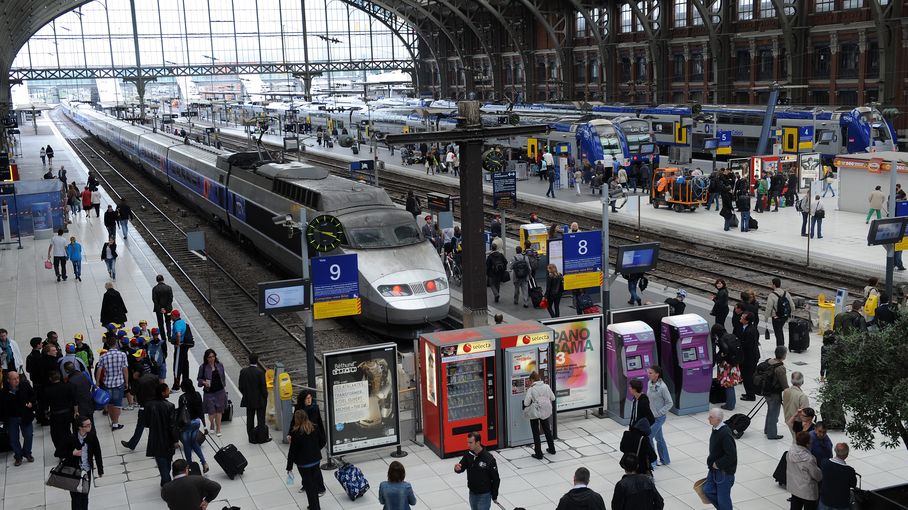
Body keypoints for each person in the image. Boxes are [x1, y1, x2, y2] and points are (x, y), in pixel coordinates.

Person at [286, 409, 326, 510]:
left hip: (303, 465)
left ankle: (314, 507)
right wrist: (316, 450)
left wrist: (289, 467)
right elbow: (323, 441)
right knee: (314, 484)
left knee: (309, 487)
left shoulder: (295, 434)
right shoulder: (315, 427)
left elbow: (292, 452)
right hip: (316, 460)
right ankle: (314, 506)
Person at [63, 415, 103, 510]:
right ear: (80, 427)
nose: (90, 426)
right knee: (75, 498)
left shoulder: (92, 436)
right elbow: (58, 453)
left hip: (86, 472)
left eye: (90, 424)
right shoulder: (71, 438)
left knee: (84, 496)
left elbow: (98, 453)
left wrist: (100, 469)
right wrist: (72, 453)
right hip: (73, 472)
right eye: (87, 425)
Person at [454, 432, 500, 510]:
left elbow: (496, 479)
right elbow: (461, 466)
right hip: (472, 493)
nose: (468, 445)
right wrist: (457, 469)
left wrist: (494, 495)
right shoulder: (468, 454)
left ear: (478, 443)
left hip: (484, 495)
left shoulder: (489, 459)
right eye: (467, 442)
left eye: (471, 443)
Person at [704, 408, 737, 510]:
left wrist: (717, 464)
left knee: (723, 500)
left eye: (711, 417)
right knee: (708, 490)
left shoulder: (725, 434)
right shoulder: (716, 428)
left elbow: (731, 455)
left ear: (718, 419)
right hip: (714, 469)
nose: (708, 418)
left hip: (724, 472)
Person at [1, 371, 36, 465]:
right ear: (8, 380)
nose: (17, 380)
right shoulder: (4, 391)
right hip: (12, 418)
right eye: (14, 379)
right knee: (13, 439)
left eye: (17, 378)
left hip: (25, 415)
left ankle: (27, 452)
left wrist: (31, 403)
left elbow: (33, 395)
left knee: (28, 436)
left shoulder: (25, 385)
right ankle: (18, 456)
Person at [145, 383, 177, 486]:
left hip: (155, 438)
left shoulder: (149, 405)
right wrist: (175, 439)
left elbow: (146, 423)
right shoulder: (170, 406)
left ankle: (164, 482)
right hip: (168, 439)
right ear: (163, 393)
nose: (169, 392)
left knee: (162, 462)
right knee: (167, 463)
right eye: (167, 390)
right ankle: (167, 485)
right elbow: (172, 425)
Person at [120, 368, 158, 451]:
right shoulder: (154, 377)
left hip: (144, 406)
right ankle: (155, 444)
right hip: (155, 405)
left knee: (140, 426)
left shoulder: (138, 382)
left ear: (137, 373)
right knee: (155, 425)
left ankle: (132, 444)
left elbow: (132, 393)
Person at [177, 379, 209, 473]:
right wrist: (205, 426)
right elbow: (201, 411)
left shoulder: (182, 398)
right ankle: (204, 462)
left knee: (187, 445)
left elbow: (180, 413)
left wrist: (177, 426)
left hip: (187, 424)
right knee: (194, 442)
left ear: (184, 387)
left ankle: (189, 466)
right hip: (196, 423)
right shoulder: (197, 395)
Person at [95, 342, 129, 431]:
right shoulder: (122, 354)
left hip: (107, 384)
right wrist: (127, 382)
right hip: (119, 383)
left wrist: (97, 382)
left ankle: (112, 420)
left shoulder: (103, 356)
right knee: (117, 404)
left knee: (109, 403)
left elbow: (99, 369)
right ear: (116, 345)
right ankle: (115, 423)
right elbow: (125, 369)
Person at [523, 371, 556, 459]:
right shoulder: (546, 386)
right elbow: (553, 397)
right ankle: (552, 449)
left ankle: (539, 453)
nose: (529, 382)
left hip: (535, 412)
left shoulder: (531, 389)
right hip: (545, 411)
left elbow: (526, 403)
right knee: (547, 431)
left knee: (536, 433)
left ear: (532, 379)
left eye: (529, 380)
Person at [787, 431, 823, 510]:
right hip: (807, 491)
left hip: (794, 487)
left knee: (795, 507)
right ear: (807, 444)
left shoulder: (790, 452)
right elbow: (817, 475)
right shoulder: (808, 459)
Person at [44, 370, 76, 457]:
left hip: (56, 415)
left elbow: (45, 404)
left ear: (50, 379)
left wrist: (46, 413)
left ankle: (62, 451)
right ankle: (70, 449)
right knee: (67, 432)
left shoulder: (47, 390)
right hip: (67, 414)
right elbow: (73, 399)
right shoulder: (67, 386)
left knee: (56, 435)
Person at [646, 366, 673, 468]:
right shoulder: (649, 383)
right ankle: (665, 459)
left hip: (659, 418)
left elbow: (670, 403)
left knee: (649, 437)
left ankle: (652, 461)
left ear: (657, 374)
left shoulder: (663, 387)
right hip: (651, 417)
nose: (648, 374)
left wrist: (659, 413)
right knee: (659, 438)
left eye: (651, 373)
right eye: (648, 372)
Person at [239, 353, 268, 443]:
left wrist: (246, 394)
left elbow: (241, 387)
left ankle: (251, 438)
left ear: (249, 360)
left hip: (249, 399)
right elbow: (263, 388)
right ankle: (261, 438)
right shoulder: (260, 372)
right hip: (260, 400)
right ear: (257, 360)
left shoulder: (243, 371)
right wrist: (265, 397)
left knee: (250, 419)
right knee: (261, 420)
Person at [197, 348, 227, 437]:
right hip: (209, 392)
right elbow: (199, 379)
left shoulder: (220, 365)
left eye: (213, 356)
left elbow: (223, 377)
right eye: (209, 357)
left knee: (219, 411)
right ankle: (212, 423)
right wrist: (203, 382)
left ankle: (218, 428)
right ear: (206, 358)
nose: (212, 358)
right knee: (211, 412)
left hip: (220, 391)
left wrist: (224, 388)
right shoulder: (203, 367)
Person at [819, 443, 857, 510]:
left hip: (825, 500)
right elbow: (853, 484)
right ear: (846, 454)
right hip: (841, 503)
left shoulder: (824, 463)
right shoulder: (849, 470)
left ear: (835, 451)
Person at [762, 346, 789, 440]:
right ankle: (772, 434)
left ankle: (767, 429)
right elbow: (785, 385)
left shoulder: (769, 361)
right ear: (784, 355)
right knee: (774, 413)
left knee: (770, 410)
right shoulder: (780, 368)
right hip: (774, 394)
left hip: (766, 391)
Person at [713, 324, 741, 410]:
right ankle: (732, 402)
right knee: (731, 384)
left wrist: (720, 356)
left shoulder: (722, 339)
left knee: (728, 385)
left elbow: (724, 351)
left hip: (726, 364)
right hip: (734, 363)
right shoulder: (732, 336)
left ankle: (730, 405)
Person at [765, 278, 794, 347]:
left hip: (776, 317)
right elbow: (792, 305)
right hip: (785, 316)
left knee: (778, 332)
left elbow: (769, 308)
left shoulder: (772, 295)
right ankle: (782, 345)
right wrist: (791, 312)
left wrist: (766, 318)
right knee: (780, 330)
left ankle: (780, 347)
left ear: (774, 285)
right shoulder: (786, 293)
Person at [738, 312, 760, 401]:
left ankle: (751, 395)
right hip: (749, 356)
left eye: (742, 317)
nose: (740, 318)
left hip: (750, 357)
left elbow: (747, 345)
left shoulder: (750, 331)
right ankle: (749, 392)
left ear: (747, 321)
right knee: (747, 376)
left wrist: (739, 344)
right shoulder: (748, 328)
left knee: (747, 377)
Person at [782, 371, 811, 441]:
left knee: (795, 439)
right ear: (802, 381)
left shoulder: (785, 391)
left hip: (788, 419)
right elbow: (805, 413)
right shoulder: (802, 396)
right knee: (799, 441)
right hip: (798, 423)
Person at [170, 309, 192, 392]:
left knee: (177, 366)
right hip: (185, 347)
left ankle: (176, 386)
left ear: (175, 316)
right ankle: (186, 383)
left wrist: (178, 343)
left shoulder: (177, 324)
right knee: (185, 364)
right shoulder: (183, 322)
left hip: (180, 347)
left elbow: (178, 334)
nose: (171, 317)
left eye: (171, 316)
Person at [152, 275, 174, 343]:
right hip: (168, 309)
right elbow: (170, 299)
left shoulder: (155, 289)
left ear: (157, 280)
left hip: (159, 310)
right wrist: (166, 308)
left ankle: (163, 337)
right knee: (168, 322)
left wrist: (161, 308)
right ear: (163, 279)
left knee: (160, 323)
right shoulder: (169, 288)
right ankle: (169, 336)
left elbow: (154, 300)